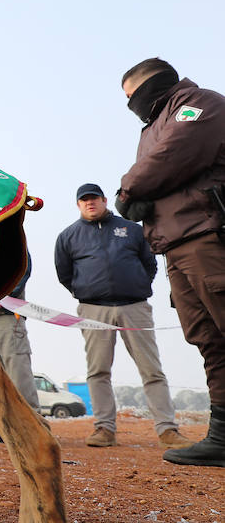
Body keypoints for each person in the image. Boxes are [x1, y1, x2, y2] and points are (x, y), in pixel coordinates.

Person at [118, 58, 225, 467]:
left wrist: (128, 190)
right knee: (210, 341)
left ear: (153, 85)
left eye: (131, 97)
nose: (130, 106)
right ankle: (222, 437)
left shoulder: (199, 104)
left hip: (209, 236)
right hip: (175, 245)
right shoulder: (153, 125)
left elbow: (172, 154)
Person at [54, 182, 192, 450]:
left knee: (152, 370)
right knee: (98, 371)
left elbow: (149, 264)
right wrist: (86, 291)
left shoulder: (132, 230)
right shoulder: (67, 236)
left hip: (135, 307)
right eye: (84, 200)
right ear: (78, 204)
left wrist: (137, 286)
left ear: (105, 200)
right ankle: (104, 429)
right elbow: (64, 274)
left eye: (94, 199)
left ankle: (167, 430)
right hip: (93, 310)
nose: (90, 203)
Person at [0, 252, 39, 443]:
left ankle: (31, 425)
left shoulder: (8, 229)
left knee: (17, 368)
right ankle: (5, 425)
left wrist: (5, 296)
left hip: (6, 313)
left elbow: (22, 267)